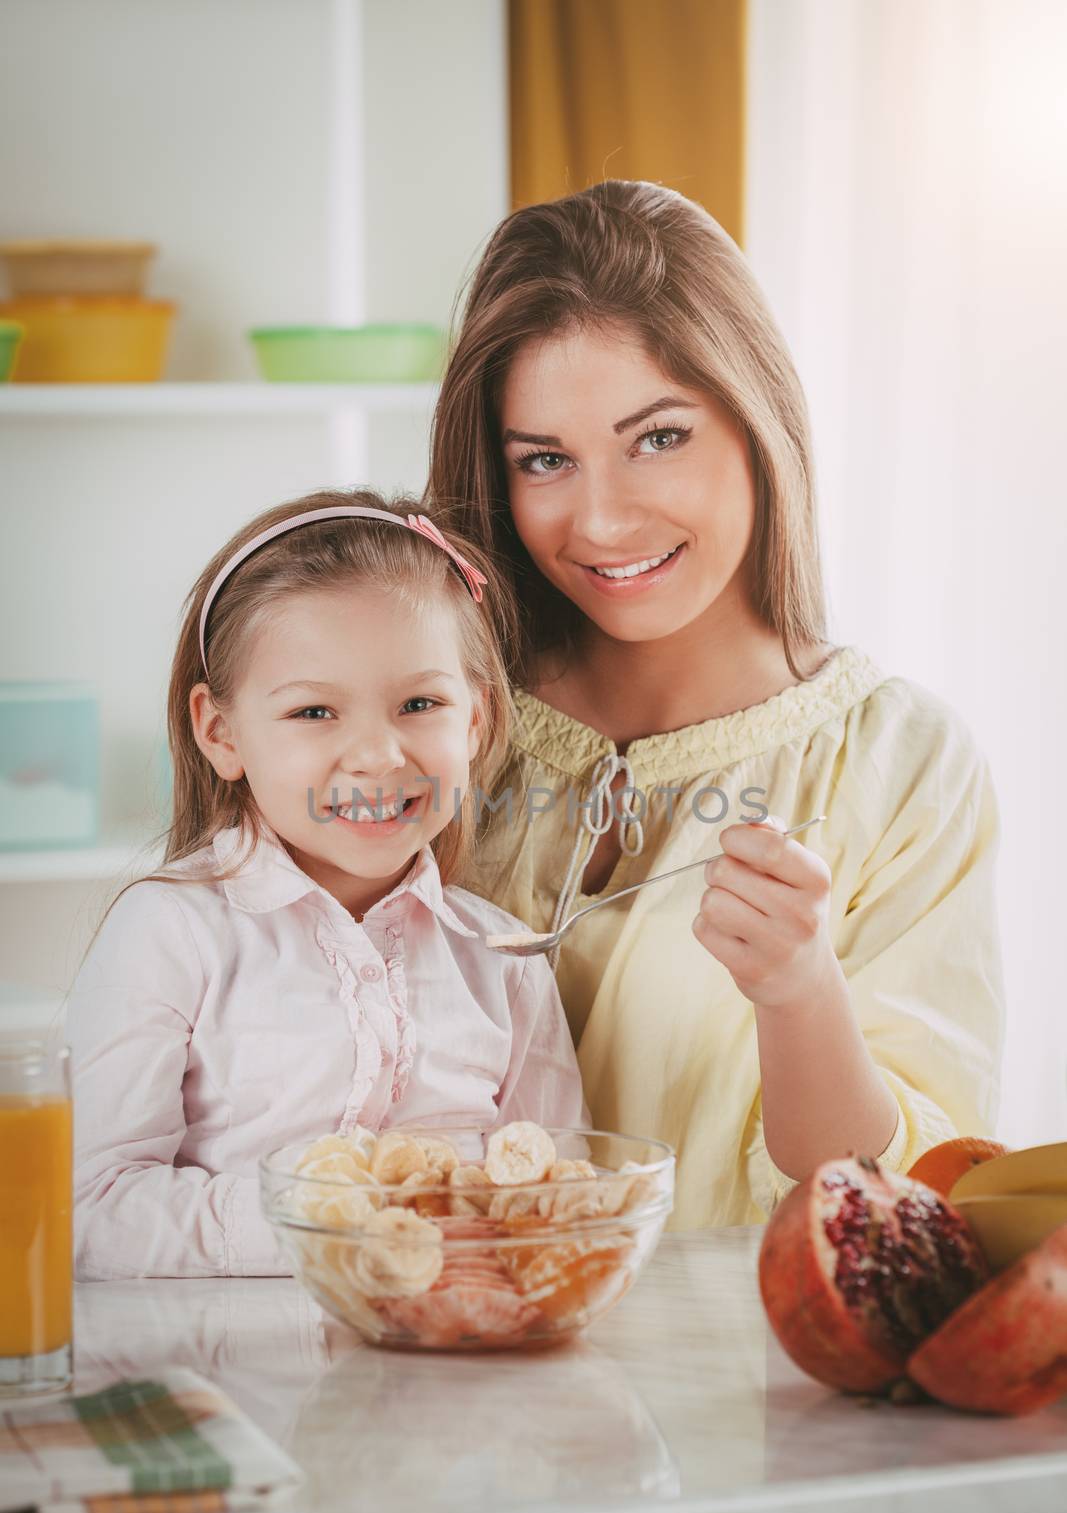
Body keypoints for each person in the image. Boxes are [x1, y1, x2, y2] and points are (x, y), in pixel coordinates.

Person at [429, 179, 1004, 1230]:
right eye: (544, 460)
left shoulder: (900, 762)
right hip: (430, 1354)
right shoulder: (443, 719)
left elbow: (902, 1202)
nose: (600, 519)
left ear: (756, 419)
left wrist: (796, 989)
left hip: (732, 1382)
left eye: (657, 437)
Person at [68, 489, 586, 1281]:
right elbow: (92, 1213)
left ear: (475, 720)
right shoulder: (170, 934)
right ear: (221, 732)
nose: (378, 755)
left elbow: (558, 1198)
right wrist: (334, 1222)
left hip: (462, 1381)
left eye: (420, 703)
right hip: (242, 1383)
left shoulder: (504, 958)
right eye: (314, 712)